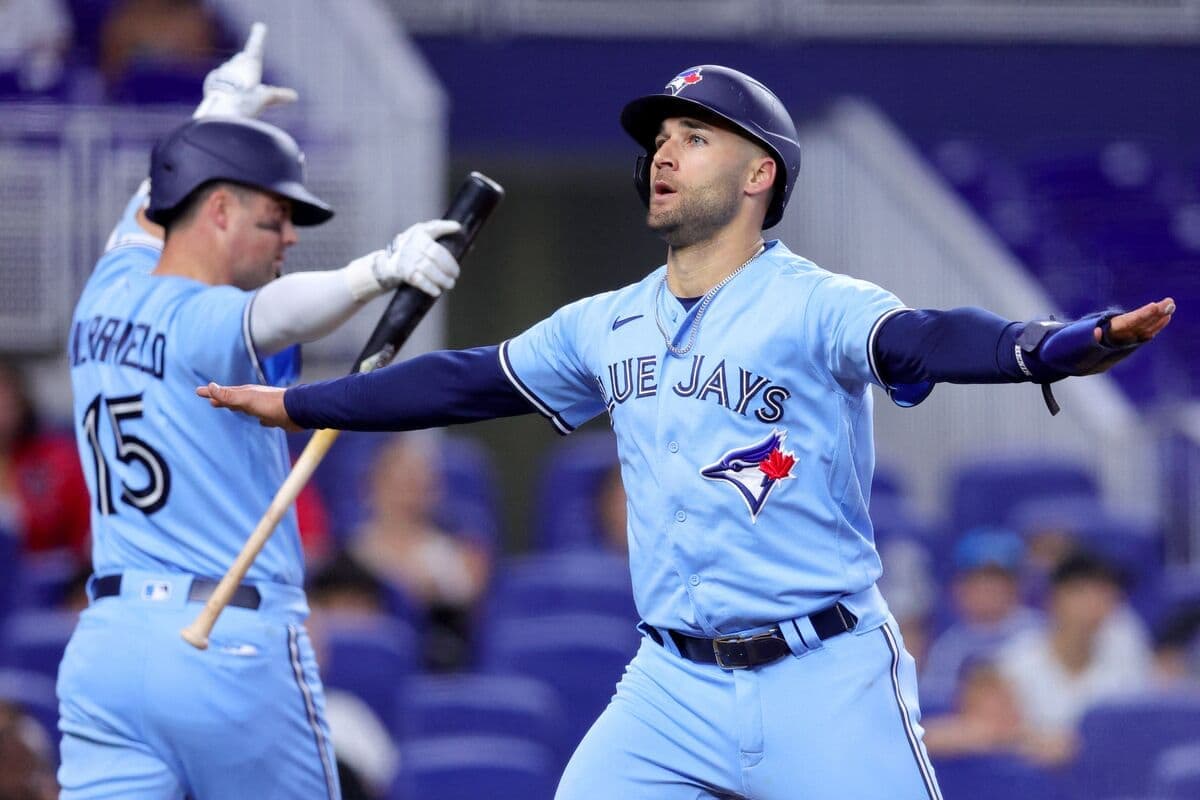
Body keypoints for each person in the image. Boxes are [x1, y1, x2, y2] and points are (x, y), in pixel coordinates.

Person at [200, 65, 1174, 799]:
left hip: (822, 672)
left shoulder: (815, 303)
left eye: (695, 136)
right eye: (660, 136)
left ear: (760, 173)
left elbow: (920, 335)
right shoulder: (605, 320)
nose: (663, 151)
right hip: (669, 682)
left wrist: (1047, 346)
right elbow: (471, 379)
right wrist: (301, 403)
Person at [58, 25, 462, 799]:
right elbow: (276, 313)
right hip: (224, 642)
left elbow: (152, 205)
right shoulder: (207, 316)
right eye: (274, 220)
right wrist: (376, 271)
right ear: (217, 211)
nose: (286, 240)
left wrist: (217, 111)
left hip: (108, 647)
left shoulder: (108, 287)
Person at [997, 550, 1152, 763]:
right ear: (1054, 599)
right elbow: (990, 734)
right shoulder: (1015, 662)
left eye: (1106, 593)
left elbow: (1137, 734)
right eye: (1083, 592)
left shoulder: (1127, 658)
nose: (1096, 603)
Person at [919, 527, 1040, 710]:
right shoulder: (948, 648)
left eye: (996, 580)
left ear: (1016, 585)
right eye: (976, 580)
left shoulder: (1041, 632)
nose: (986, 589)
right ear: (959, 588)